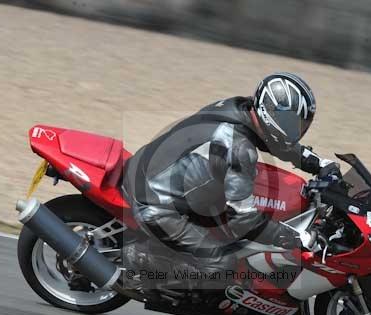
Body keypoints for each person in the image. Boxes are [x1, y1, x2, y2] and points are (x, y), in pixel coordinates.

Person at [122, 72, 340, 272]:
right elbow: (242, 221)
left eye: (301, 125)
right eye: (291, 123)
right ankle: (139, 258)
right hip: (155, 204)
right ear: (270, 112)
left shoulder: (238, 108)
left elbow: (274, 141)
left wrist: (320, 164)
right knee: (222, 264)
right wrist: (293, 237)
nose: (295, 130)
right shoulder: (238, 148)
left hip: (151, 171)